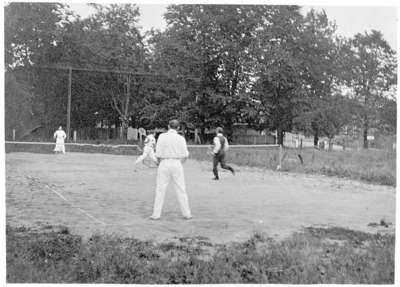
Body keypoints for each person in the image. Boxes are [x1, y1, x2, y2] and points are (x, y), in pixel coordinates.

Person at [149, 119, 192, 220]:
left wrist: (160, 163)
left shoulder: (162, 137)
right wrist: (179, 163)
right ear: (178, 128)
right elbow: (185, 155)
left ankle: (156, 214)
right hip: (177, 163)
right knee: (181, 189)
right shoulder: (181, 138)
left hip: (164, 162)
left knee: (160, 189)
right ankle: (187, 214)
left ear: (168, 126)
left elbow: (158, 154)